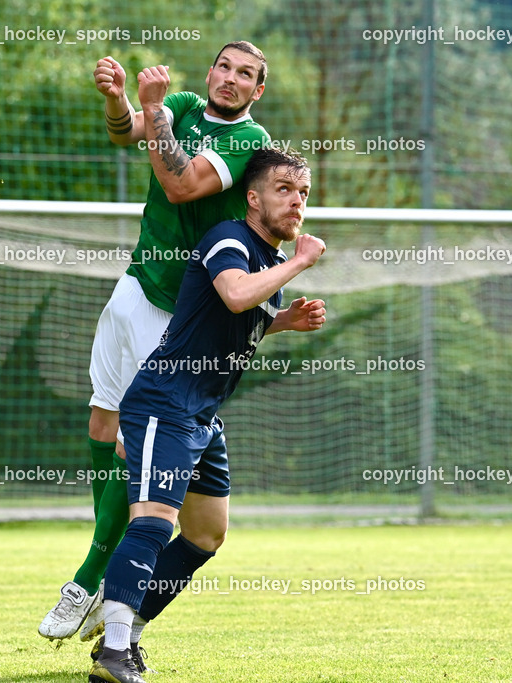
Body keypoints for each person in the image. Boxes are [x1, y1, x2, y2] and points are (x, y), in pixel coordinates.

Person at [39, 41, 274, 643]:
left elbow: (179, 184)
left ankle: (91, 577)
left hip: (176, 316)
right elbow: (126, 133)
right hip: (135, 286)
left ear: (257, 91)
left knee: (131, 448)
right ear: (211, 71)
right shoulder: (188, 105)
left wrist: (154, 111)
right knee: (99, 423)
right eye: (225, 66)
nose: (230, 79)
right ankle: (100, 572)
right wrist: (121, 100)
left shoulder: (248, 141)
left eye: (245, 75)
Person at [89, 148, 325, 683]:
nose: (296, 202)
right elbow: (235, 296)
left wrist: (283, 320)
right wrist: (303, 260)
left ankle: (128, 630)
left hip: (203, 415)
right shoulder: (230, 239)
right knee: (152, 522)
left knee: (205, 536)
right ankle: (113, 651)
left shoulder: (267, 261)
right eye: (284, 189)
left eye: (303, 194)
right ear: (253, 197)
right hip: (164, 403)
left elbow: (235, 322)